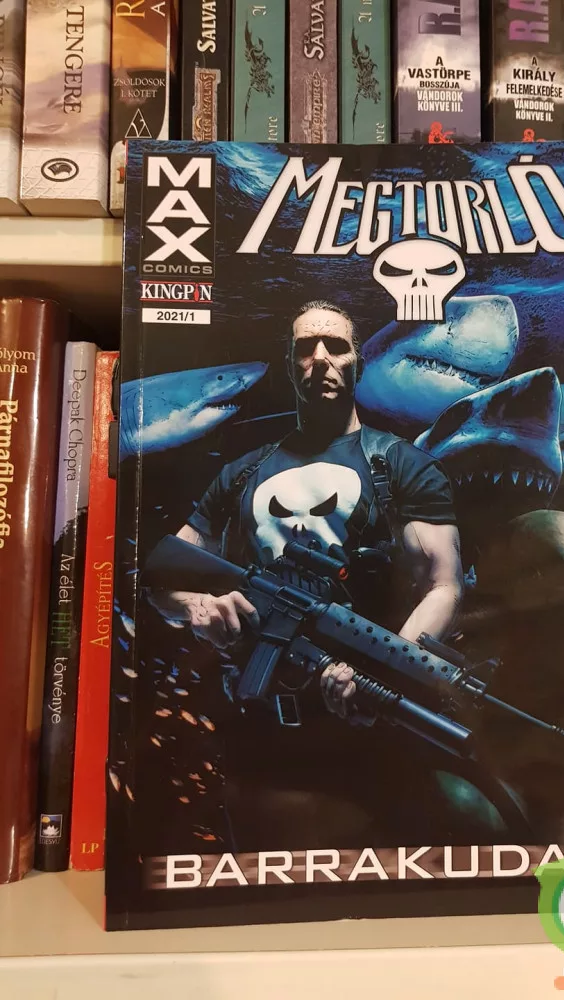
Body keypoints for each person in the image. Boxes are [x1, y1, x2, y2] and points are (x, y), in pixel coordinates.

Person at [147, 300, 478, 847]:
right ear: (289, 363)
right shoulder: (242, 473)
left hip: (371, 732)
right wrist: (199, 607)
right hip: (259, 736)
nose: (321, 358)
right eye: (305, 348)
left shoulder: (400, 465)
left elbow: (442, 585)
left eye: (336, 346)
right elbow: (161, 579)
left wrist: (383, 676)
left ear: (358, 363)